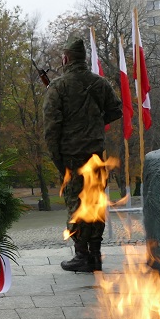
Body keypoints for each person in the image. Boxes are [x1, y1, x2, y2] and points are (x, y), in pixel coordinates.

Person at [43, 36, 123, 273]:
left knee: (76, 204)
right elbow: (116, 110)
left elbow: (51, 127)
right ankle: (95, 255)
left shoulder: (58, 86)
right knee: (95, 202)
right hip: (95, 153)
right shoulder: (100, 83)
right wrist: (94, 124)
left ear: (66, 58)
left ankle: (81, 255)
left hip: (71, 155)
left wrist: (56, 157)